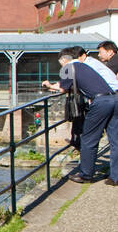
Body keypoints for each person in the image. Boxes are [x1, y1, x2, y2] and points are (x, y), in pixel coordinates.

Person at [43, 46, 118, 184]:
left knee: (88, 139)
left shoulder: (68, 68)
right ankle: (115, 177)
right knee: (115, 140)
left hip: (100, 102)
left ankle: (86, 175)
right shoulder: (86, 66)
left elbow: (63, 88)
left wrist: (48, 85)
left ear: (64, 60)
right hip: (114, 98)